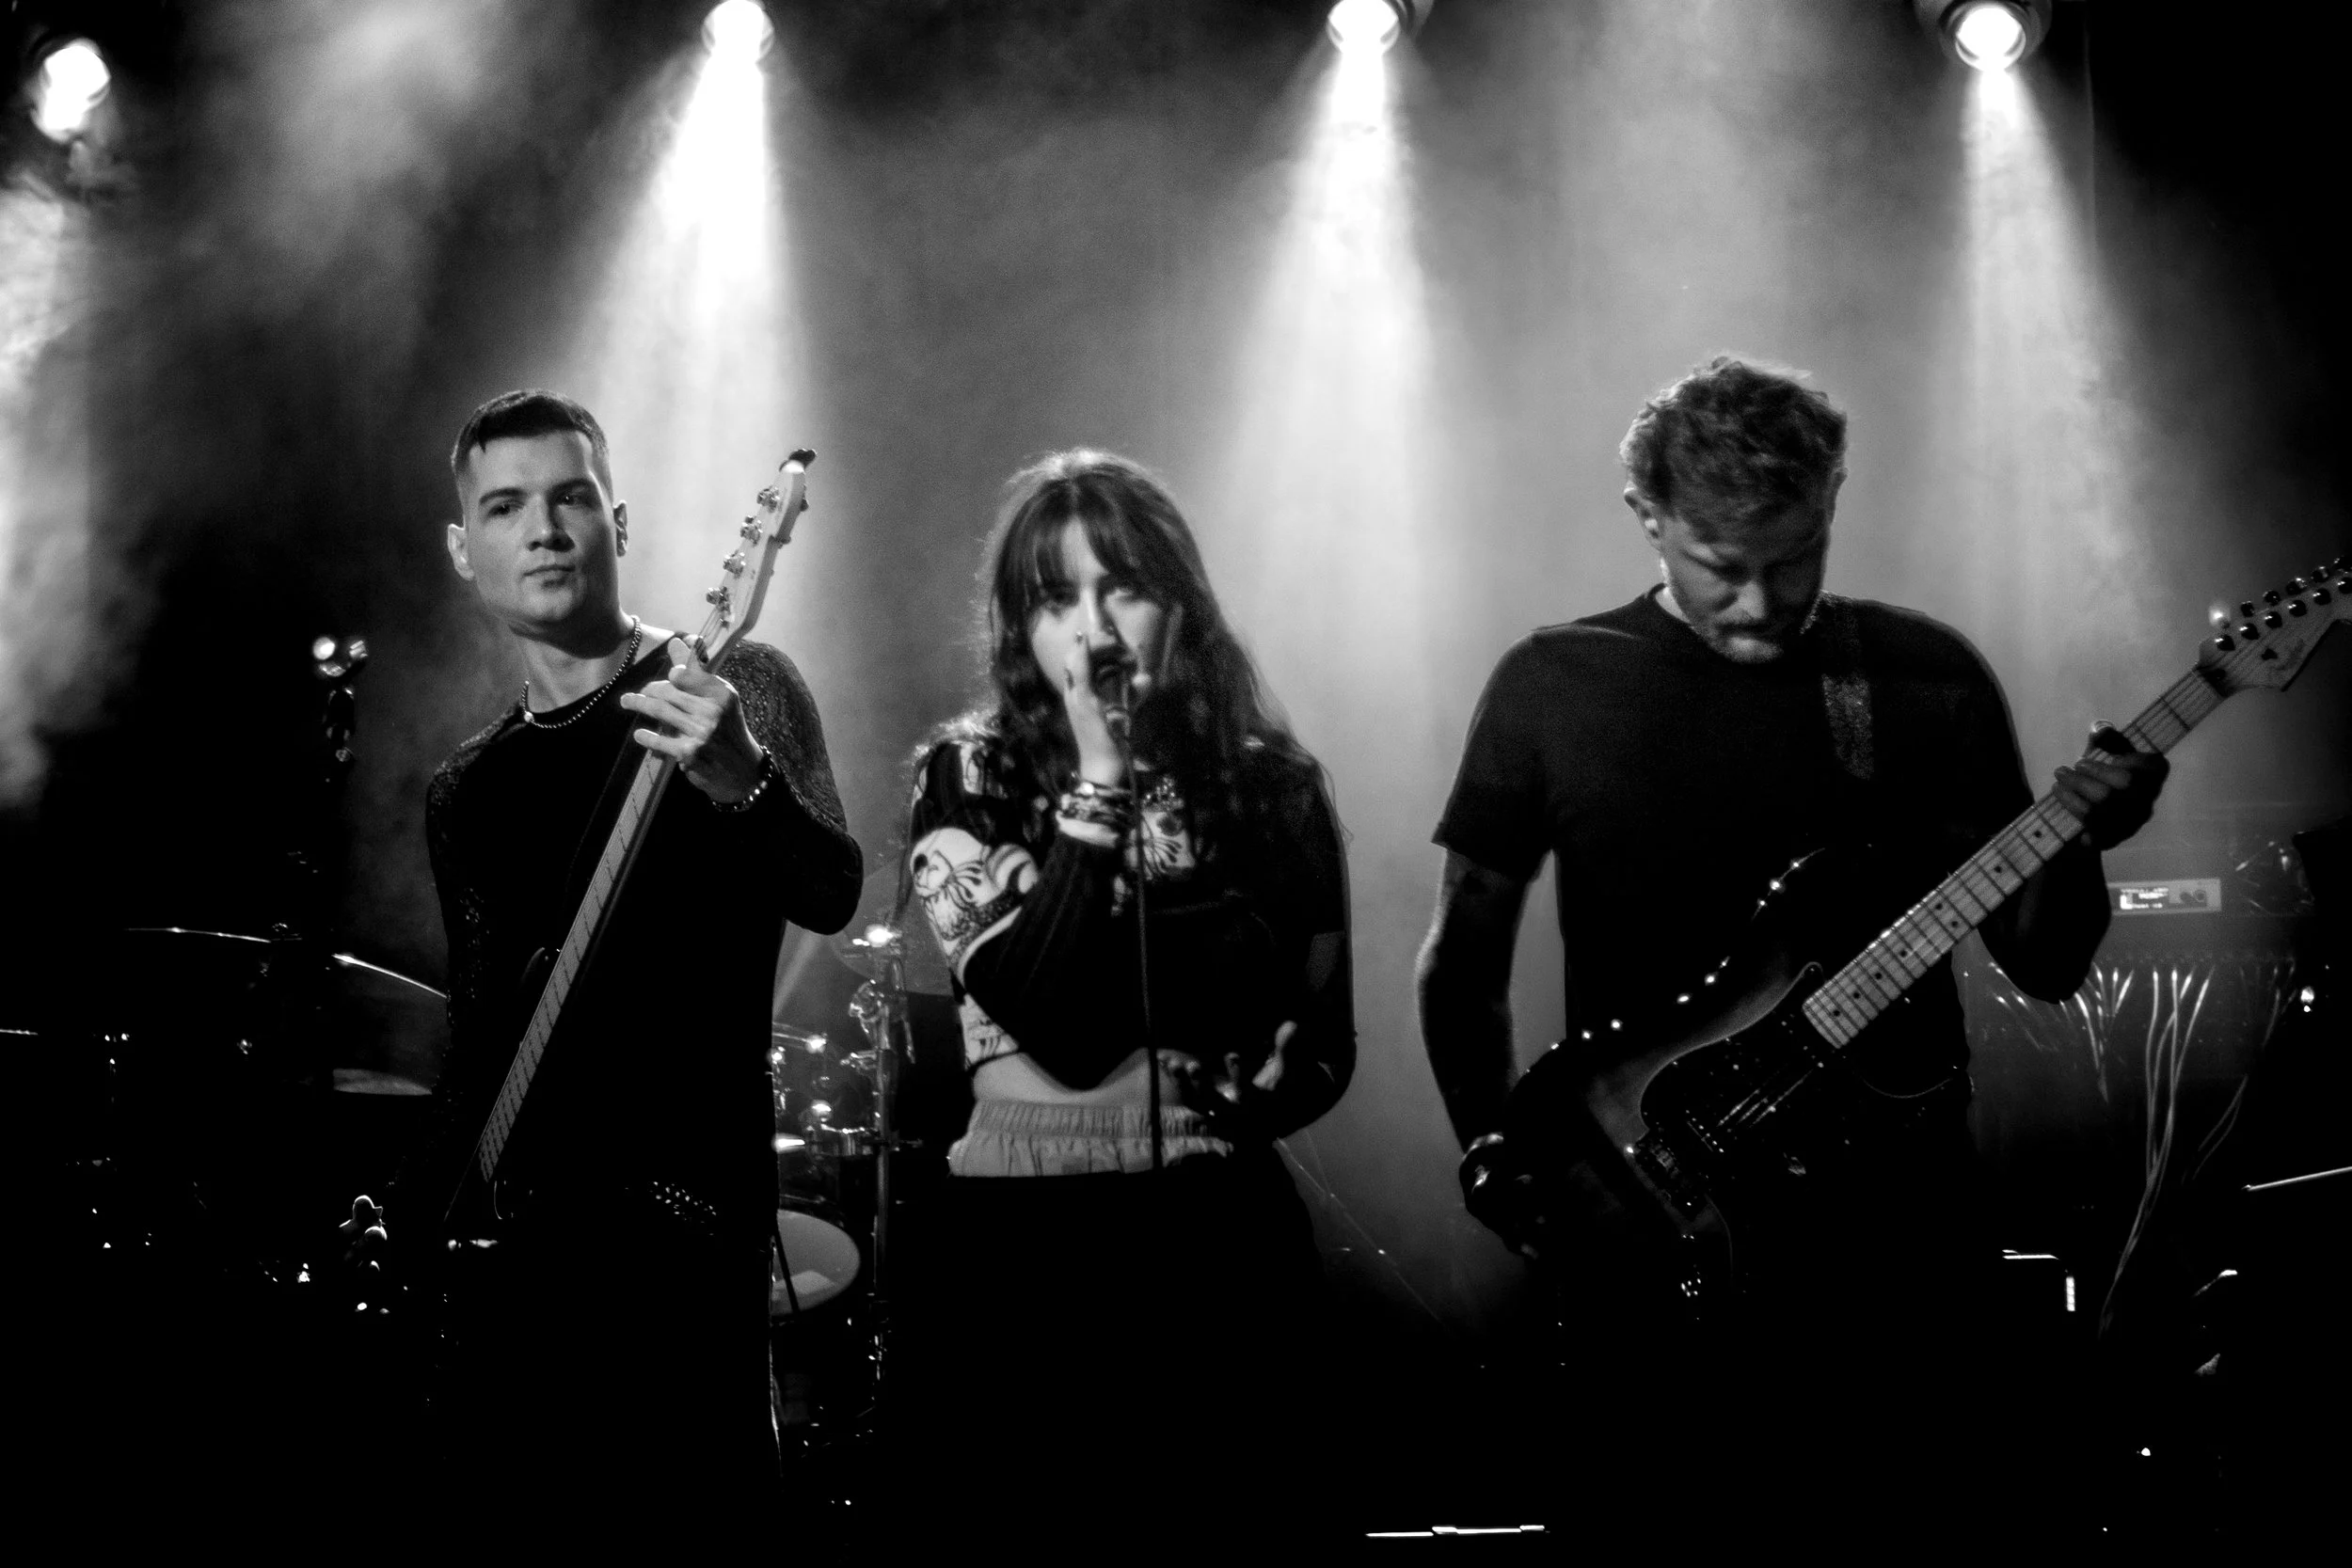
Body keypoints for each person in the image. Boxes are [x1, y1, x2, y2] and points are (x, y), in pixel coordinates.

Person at [1416, 356, 2169, 1541]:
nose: (1761, 601)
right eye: (1720, 565)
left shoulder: (1922, 676)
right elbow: (1462, 960)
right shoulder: (1552, 682)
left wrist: (2080, 839)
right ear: (1647, 516)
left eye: (1795, 556)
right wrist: (1492, 1148)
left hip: (1898, 1241)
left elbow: (2045, 963)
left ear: (1832, 502)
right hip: (1665, 1217)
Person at [358, 389, 861, 1490]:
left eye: (571, 497)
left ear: (615, 523)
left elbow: (832, 890)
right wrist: (404, 1211)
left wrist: (744, 781)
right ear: (463, 548)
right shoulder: (469, 788)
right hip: (521, 1258)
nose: (543, 528)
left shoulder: (730, 686)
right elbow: (481, 1042)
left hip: (689, 1233)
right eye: (504, 506)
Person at [896, 450, 1353, 1538]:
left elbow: (1327, 1037)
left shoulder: (1274, 788)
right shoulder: (969, 777)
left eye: (1124, 588)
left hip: (1218, 1238)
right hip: (1021, 1257)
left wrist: (1278, 1089)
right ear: (1021, 626)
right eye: (1058, 598)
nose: (1094, 627)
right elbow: (1053, 1025)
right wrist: (1101, 780)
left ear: (1179, 605)